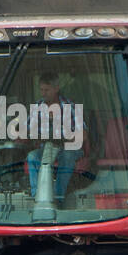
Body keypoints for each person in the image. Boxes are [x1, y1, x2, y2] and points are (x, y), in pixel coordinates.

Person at [26, 71, 84, 201]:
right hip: (46, 148)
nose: (43, 93)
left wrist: (65, 137)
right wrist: (36, 135)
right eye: (41, 90)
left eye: (47, 90)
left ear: (57, 88)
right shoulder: (37, 107)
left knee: (67, 156)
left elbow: (83, 134)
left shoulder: (70, 106)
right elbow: (28, 131)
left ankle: (58, 197)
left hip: (68, 148)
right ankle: (37, 197)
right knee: (32, 157)